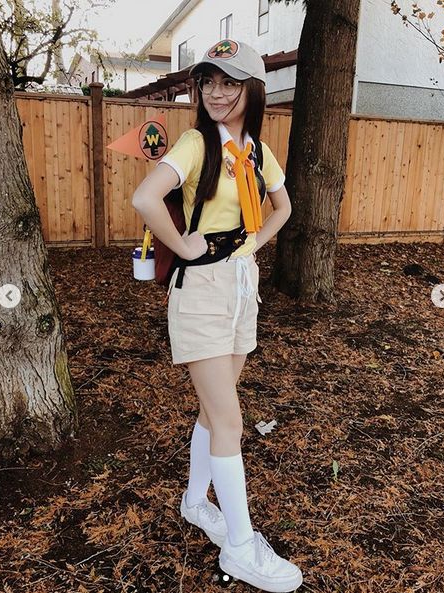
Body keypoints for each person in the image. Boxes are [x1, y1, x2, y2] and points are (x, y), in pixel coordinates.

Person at [132, 39, 303, 593]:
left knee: (213, 411)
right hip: (202, 287)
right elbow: (145, 198)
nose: (216, 92)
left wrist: (252, 246)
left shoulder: (254, 149)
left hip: (238, 283)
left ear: (252, 89)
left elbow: (284, 207)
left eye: (228, 82)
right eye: (208, 81)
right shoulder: (195, 142)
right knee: (229, 420)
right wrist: (183, 247)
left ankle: (193, 501)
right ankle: (239, 545)